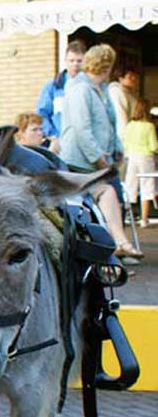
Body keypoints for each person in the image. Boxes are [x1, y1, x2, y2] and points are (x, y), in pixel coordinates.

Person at [60, 43, 142, 261]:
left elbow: (109, 124)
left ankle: (118, 248)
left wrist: (117, 149)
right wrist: (98, 158)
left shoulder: (103, 90)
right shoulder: (80, 89)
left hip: (102, 160)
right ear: (105, 66)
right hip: (81, 162)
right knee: (106, 194)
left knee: (116, 198)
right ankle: (115, 248)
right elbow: (81, 129)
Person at [37, 40, 86, 143]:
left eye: (79, 61)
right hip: (60, 143)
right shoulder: (53, 86)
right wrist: (53, 135)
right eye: (71, 61)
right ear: (65, 61)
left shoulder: (90, 87)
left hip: (84, 143)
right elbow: (42, 114)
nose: (75, 64)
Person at [123, 97, 158, 228]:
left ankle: (128, 216)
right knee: (147, 186)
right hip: (146, 158)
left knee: (130, 186)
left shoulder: (130, 125)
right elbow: (154, 146)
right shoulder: (149, 126)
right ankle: (144, 219)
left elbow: (125, 141)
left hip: (132, 157)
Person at [108, 67, 138, 143]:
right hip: (120, 137)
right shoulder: (116, 92)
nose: (134, 79)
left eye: (135, 76)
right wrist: (125, 139)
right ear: (120, 78)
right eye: (130, 76)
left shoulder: (129, 94)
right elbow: (120, 117)